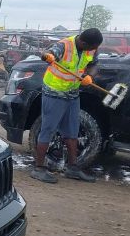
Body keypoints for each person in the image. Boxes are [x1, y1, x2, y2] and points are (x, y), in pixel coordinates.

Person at [30, 28, 103, 184]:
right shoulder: (64, 45)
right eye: (91, 47)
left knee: (72, 131)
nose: (93, 50)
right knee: (48, 129)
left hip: (72, 93)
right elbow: (49, 52)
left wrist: (89, 75)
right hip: (54, 92)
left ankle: (72, 168)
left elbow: (94, 65)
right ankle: (38, 168)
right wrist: (48, 56)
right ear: (83, 42)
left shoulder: (92, 48)